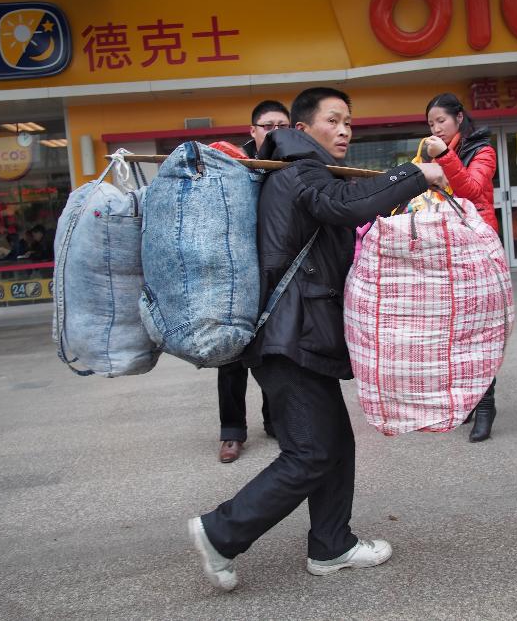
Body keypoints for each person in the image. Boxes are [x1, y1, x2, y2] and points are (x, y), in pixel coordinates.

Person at [188, 87, 448, 592]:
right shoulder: (300, 170)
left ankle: (332, 545)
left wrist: (411, 171)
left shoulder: (296, 169)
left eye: (350, 120)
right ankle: (222, 531)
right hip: (290, 337)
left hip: (302, 335)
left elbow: (347, 208)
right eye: (334, 119)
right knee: (310, 452)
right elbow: (343, 205)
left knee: (335, 444)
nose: (346, 129)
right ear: (303, 128)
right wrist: (416, 174)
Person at [216, 100, 291, 463]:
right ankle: (232, 432)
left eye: (282, 125)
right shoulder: (231, 164)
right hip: (234, 272)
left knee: (271, 350)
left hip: (276, 271)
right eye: (267, 126)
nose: (275, 132)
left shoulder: (295, 161)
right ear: (253, 130)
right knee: (230, 353)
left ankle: (275, 420)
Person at [422, 92, 500, 442]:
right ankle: (467, 401)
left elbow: (469, 189)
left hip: (478, 247)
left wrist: (444, 156)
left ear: (458, 118)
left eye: (440, 120)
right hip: (446, 246)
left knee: (480, 331)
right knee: (454, 330)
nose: (435, 127)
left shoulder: (483, 150)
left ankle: (486, 406)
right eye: (430, 124)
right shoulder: (434, 152)